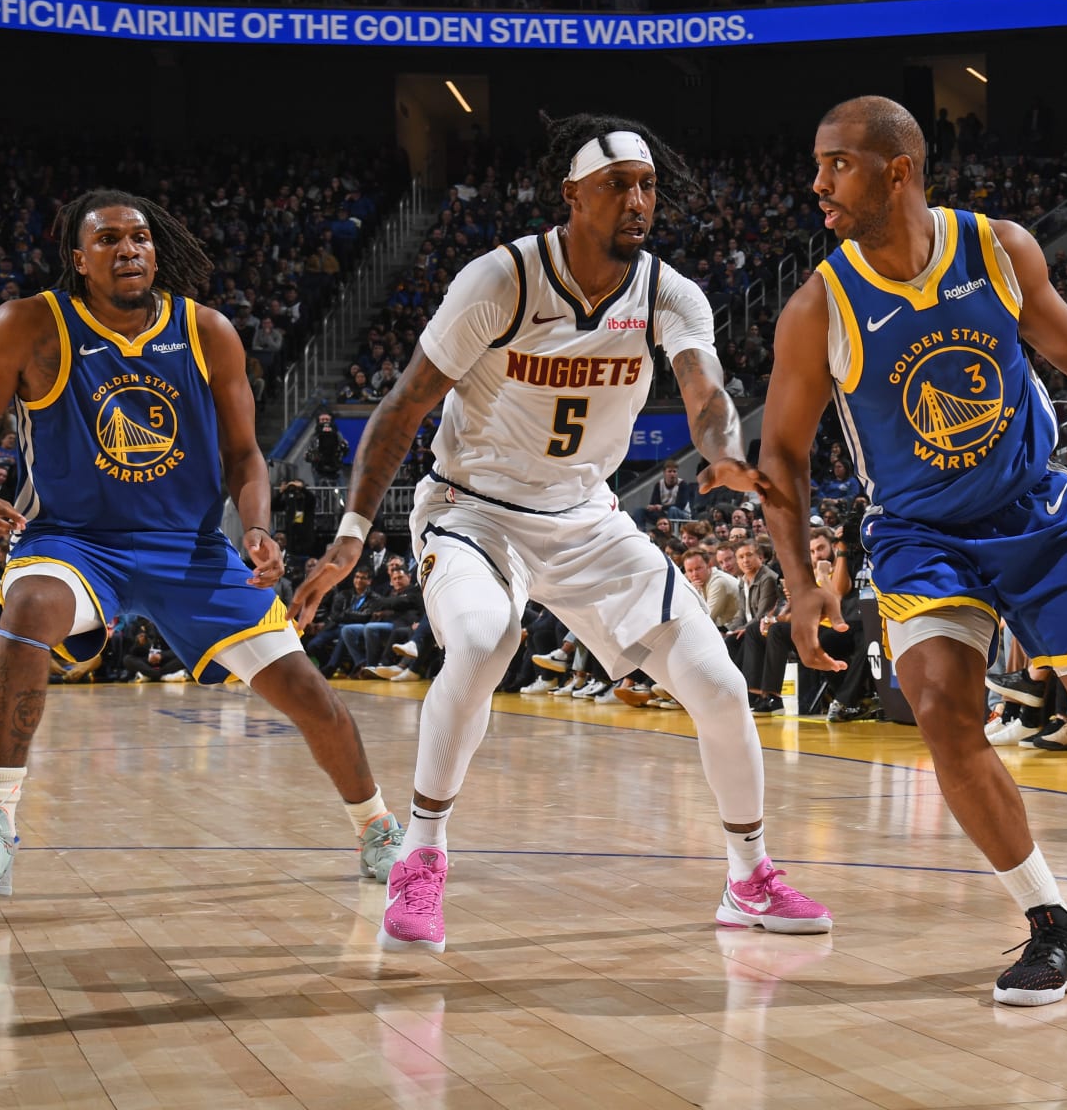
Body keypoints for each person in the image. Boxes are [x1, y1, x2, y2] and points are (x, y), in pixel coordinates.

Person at [760, 96, 1067, 1007]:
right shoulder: (817, 307)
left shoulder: (996, 248)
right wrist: (801, 582)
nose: (818, 183)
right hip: (920, 536)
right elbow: (784, 456)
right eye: (818, 163)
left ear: (897, 170)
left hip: (1037, 515)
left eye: (836, 163)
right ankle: (1052, 921)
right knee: (942, 711)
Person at [290, 112, 829, 952]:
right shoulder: (500, 279)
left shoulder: (668, 292)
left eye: (647, 186)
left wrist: (722, 449)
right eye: (618, 186)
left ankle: (749, 876)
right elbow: (400, 409)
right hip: (474, 510)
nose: (638, 201)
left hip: (588, 518)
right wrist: (354, 534)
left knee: (720, 687)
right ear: (572, 195)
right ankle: (422, 856)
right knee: (482, 637)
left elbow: (705, 388)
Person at [0, 189, 405, 897]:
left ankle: (378, 827)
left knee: (310, 694)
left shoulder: (207, 331)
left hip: (191, 547)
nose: (129, 250)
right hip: (74, 541)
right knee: (27, 607)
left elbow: (245, 456)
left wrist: (261, 529)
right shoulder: (27, 326)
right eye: (110, 239)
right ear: (78, 259)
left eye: (140, 238)